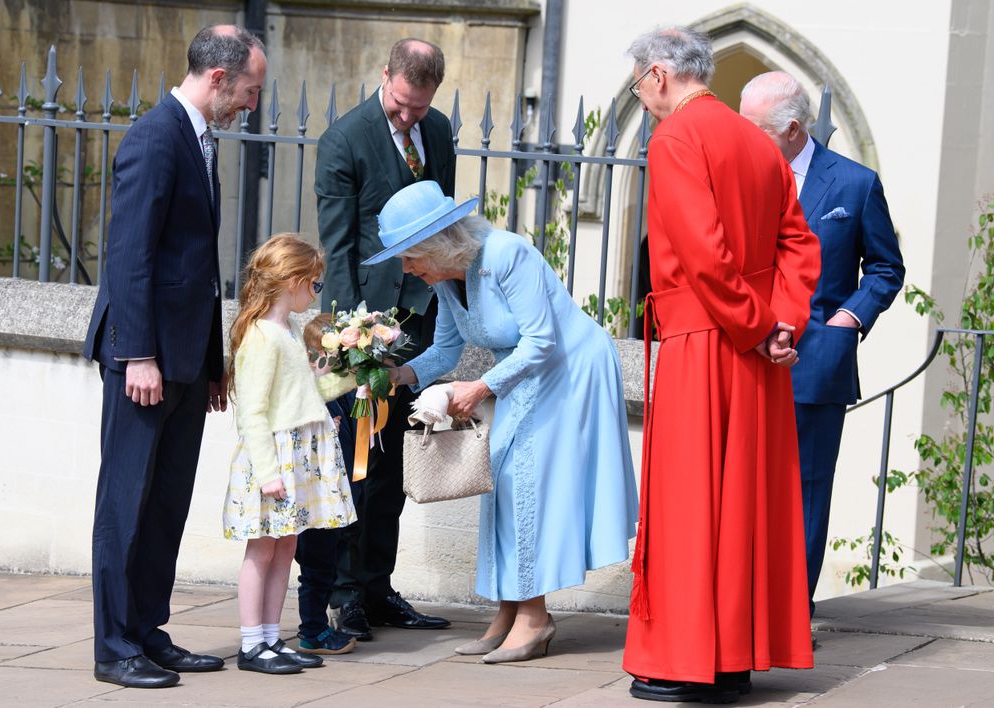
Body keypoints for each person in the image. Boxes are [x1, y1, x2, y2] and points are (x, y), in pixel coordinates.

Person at [621, 27, 821, 703]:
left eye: (639, 85)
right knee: (740, 509)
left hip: (706, 344)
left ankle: (689, 662)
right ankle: (731, 657)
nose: (642, 98)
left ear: (657, 76)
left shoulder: (676, 138)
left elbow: (703, 254)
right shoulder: (758, 144)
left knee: (689, 508)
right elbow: (799, 243)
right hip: (755, 350)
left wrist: (760, 324)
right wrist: (781, 321)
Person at [369, 180, 640, 664]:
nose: (406, 269)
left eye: (409, 257)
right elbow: (447, 350)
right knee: (504, 484)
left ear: (436, 245)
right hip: (519, 376)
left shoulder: (508, 254)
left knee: (524, 484)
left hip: (570, 371)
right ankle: (509, 610)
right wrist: (399, 375)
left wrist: (480, 387)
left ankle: (535, 619)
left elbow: (542, 341)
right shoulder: (446, 279)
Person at [82, 25, 266, 689]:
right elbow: (128, 257)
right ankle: (113, 646)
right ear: (218, 79)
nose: (252, 104)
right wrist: (137, 356)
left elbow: (193, 268)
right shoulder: (156, 137)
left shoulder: (199, 137)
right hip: (144, 360)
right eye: (249, 90)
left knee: (165, 504)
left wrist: (214, 361)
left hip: (186, 361)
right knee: (126, 502)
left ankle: (147, 630)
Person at [739, 72, 905, 619]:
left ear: (790, 128)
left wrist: (849, 318)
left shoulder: (855, 185)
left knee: (806, 490)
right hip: (743, 356)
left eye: (754, 128)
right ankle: (741, 607)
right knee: (741, 488)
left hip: (817, 361)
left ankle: (791, 613)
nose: (743, 137)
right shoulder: (737, 176)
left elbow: (885, 267)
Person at [315, 37, 456, 638]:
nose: (408, 117)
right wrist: (348, 337)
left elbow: (442, 222)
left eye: (419, 109)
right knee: (357, 462)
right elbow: (340, 246)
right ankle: (344, 593)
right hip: (365, 329)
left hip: (419, 324)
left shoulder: (440, 130)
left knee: (394, 463)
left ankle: (378, 587)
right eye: (401, 104)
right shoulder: (343, 140)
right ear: (386, 77)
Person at [223, 235, 358, 674]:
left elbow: (304, 395)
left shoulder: (287, 331)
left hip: (294, 456)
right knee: (262, 550)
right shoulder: (262, 336)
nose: (315, 293)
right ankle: (250, 644)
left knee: (285, 548)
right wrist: (267, 473)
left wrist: (353, 375)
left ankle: (269, 638)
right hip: (275, 460)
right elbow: (255, 412)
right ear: (291, 281)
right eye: (314, 285)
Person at [293, 314, 360, 656]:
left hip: (332, 493)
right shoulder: (308, 393)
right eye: (327, 359)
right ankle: (313, 630)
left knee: (324, 563)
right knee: (315, 564)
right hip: (312, 494)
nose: (332, 368)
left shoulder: (342, 396)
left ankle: (314, 626)